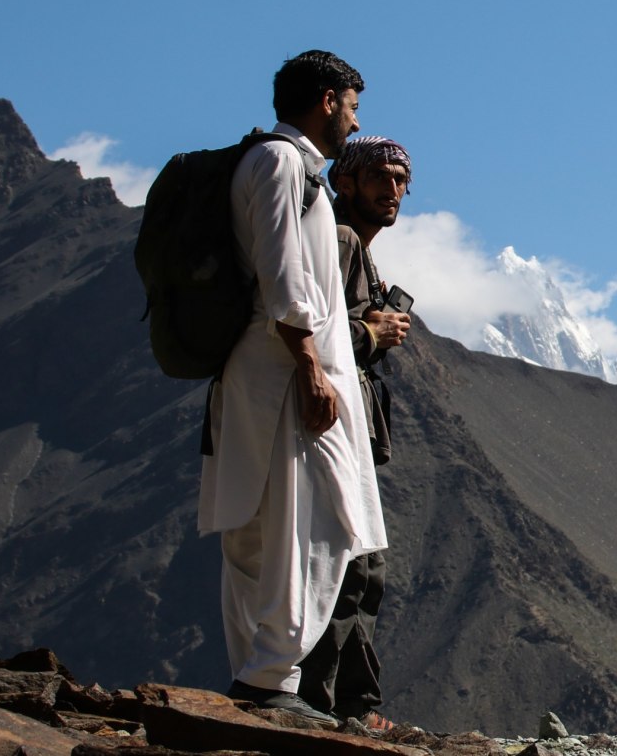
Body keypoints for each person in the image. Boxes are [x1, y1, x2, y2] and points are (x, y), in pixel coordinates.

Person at [198, 51, 387, 728]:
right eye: (353, 107)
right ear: (328, 101)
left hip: (266, 365)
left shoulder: (278, 164)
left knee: (258, 526)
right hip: (287, 368)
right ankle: (270, 675)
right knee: (322, 520)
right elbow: (282, 271)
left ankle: (258, 671)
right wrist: (309, 364)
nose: (355, 120)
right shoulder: (282, 164)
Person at [297, 136, 413, 729]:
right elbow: (305, 323)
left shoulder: (357, 249)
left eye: (399, 179)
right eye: (379, 177)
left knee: (360, 568)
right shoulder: (339, 241)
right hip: (332, 424)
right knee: (350, 567)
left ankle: (347, 706)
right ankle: (332, 707)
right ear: (345, 180)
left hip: (348, 424)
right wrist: (372, 333)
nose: (391, 190)